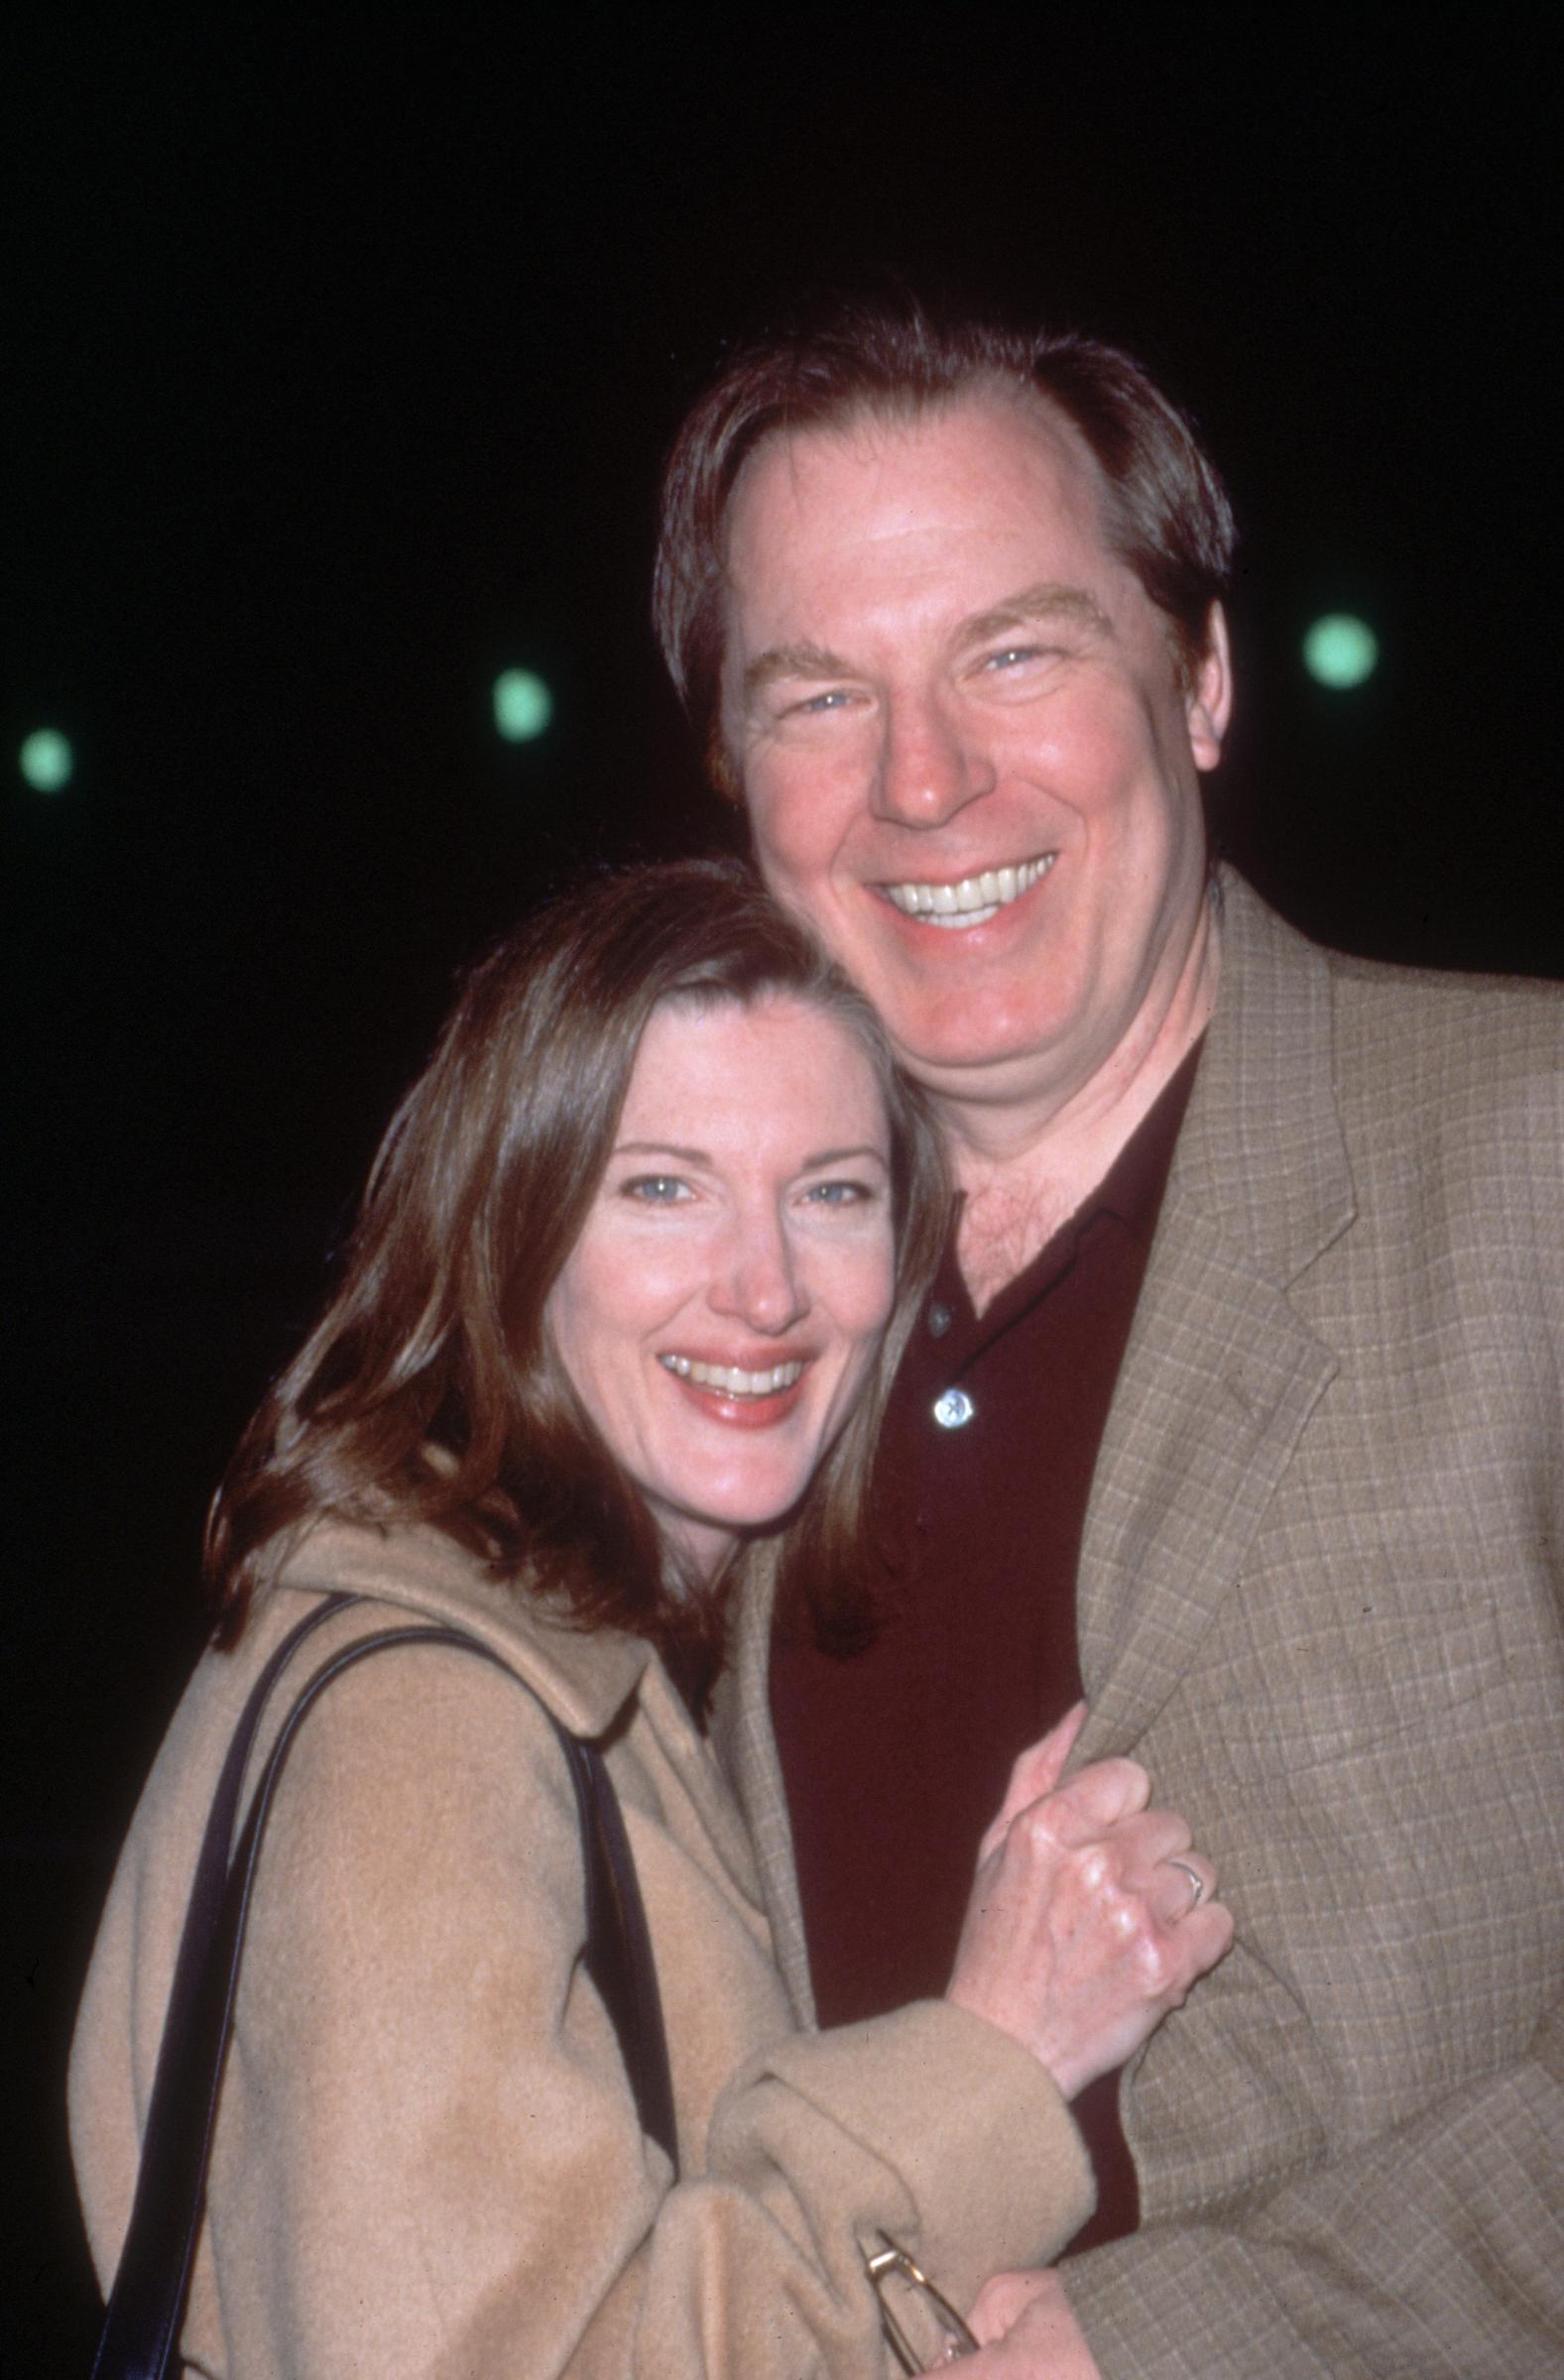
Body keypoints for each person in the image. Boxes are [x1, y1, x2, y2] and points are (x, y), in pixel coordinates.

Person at [653, 303, 1564, 2375]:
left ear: (1205, 677)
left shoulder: (1533, 1161)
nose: (924, 781)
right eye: (820, 696)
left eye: (1015, 651)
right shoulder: (709, 1342)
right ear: (738, 787)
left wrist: (1193, 2344)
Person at [69, 858, 1232, 2377]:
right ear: (515, 1229)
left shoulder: (521, 1646)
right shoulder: (424, 1729)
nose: (760, 1290)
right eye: (661, 1187)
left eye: (830, 1193)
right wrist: (996, 2057)